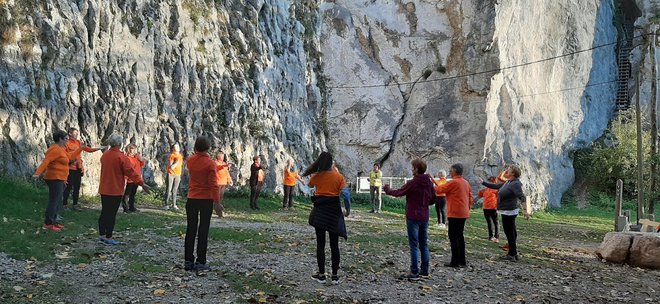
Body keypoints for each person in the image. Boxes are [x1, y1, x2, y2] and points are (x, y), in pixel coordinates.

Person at [383, 159, 435, 280]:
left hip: (413, 215)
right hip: (424, 215)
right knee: (424, 243)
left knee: (414, 244)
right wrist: (424, 203)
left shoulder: (413, 182)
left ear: (416, 169)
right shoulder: (429, 183)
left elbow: (399, 192)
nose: (411, 169)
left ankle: (414, 271)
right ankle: (424, 270)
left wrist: (387, 189)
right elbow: (433, 198)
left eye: (412, 167)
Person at [303, 152, 351, 285]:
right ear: (331, 163)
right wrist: (347, 210)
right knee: (334, 245)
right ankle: (335, 276)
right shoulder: (338, 176)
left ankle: (322, 275)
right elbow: (346, 195)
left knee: (320, 244)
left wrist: (317, 173)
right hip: (334, 211)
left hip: (320, 211)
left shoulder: (317, 176)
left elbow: (310, 185)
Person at [98, 133, 150, 245]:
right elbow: (131, 172)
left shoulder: (105, 155)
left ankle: (102, 235)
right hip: (115, 189)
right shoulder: (121, 157)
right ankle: (108, 236)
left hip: (104, 187)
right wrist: (142, 183)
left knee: (104, 212)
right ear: (120, 144)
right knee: (111, 214)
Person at [33, 130, 85, 232]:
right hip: (54, 178)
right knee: (54, 201)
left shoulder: (61, 149)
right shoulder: (55, 149)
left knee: (57, 201)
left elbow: (70, 157)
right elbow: (46, 161)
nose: (67, 140)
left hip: (60, 178)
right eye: (66, 138)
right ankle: (48, 223)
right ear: (60, 139)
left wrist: (81, 148)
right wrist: (37, 173)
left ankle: (53, 221)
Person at [185, 136, 221, 271]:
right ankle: (201, 261)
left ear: (195, 147)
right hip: (206, 199)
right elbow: (213, 185)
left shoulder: (190, 160)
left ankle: (188, 260)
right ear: (208, 148)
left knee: (191, 229)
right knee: (203, 230)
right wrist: (217, 202)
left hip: (192, 197)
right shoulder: (211, 164)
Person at [480, 165, 529, 261]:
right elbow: (495, 186)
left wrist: (525, 211)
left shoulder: (515, 183)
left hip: (509, 211)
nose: (507, 171)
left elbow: (522, 197)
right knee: (511, 232)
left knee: (510, 232)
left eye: (509, 170)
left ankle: (512, 255)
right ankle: (513, 254)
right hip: (506, 210)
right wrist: (483, 183)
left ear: (513, 173)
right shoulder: (508, 182)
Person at [435, 163, 473, 268]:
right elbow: (470, 197)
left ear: (455, 171)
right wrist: (468, 208)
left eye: (451, 170)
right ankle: (462, 261)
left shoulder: (453, 182)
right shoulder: (466, 182)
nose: (450, 172)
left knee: (453, 236)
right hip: (464, 212)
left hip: (455, 213)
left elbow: (439, 189)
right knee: (460, 236)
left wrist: (431, 184)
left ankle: (455, 261)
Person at [62, 128, 102, 211]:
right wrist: (69, 161)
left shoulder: (78, 142)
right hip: (70, 168)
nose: (76, 134)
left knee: (77, 187)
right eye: (75, 133)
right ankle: (64, 204)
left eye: (77, 133)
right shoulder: (67, 143)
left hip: (78, 168)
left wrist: (98, 148)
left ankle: (75, 205)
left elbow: (87, 149)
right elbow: (64, 154)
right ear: (70, 133)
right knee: (68, 187)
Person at [121, 144, 147, 213]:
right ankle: (125, 208)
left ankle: (132, 207)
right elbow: (129, 169)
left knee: (133, 194)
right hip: (130, 179)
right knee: (127, 194)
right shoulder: (128, 158)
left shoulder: (136, 158)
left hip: (137, 178)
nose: (135, 151)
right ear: (129, 150)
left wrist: (140, 159)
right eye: (133, 149)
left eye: (135, 149)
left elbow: (142, 165)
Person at [478, 176, 499, 243]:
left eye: (491, 181)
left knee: (496, 223)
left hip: (493, 208)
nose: (490, 182)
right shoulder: (486, 189)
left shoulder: (496, 190)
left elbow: (499, 198)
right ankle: (491, 236)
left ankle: (496, 237)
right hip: (486, 208)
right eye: (489, 181)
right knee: (489, 223)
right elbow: (480, 194)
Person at [164, 144, 183, 210]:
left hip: (178, 174)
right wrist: (176, 162)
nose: (177, 148)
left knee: (175, 190)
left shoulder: (180, 156)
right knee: (169, 189)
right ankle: (166, 204)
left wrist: (178, 163)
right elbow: (171, 166)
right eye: (175, 147)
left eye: (178, 147)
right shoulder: (172, 155)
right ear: (173, 149)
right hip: (171, 174)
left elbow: (180, 165)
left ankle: (174, 205)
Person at [215, 151, 232, 217]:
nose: (222, 157)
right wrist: (225, 165)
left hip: (223, 182)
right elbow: (218, 167)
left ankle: (218, 208)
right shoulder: (215, 163)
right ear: (218, 156)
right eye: (221, 156)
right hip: (218, 182)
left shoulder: (224, 163)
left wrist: (229, 180)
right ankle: (219, 211)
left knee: (220, 197)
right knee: (217, 197)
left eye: (223, 156)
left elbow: (227, 173)